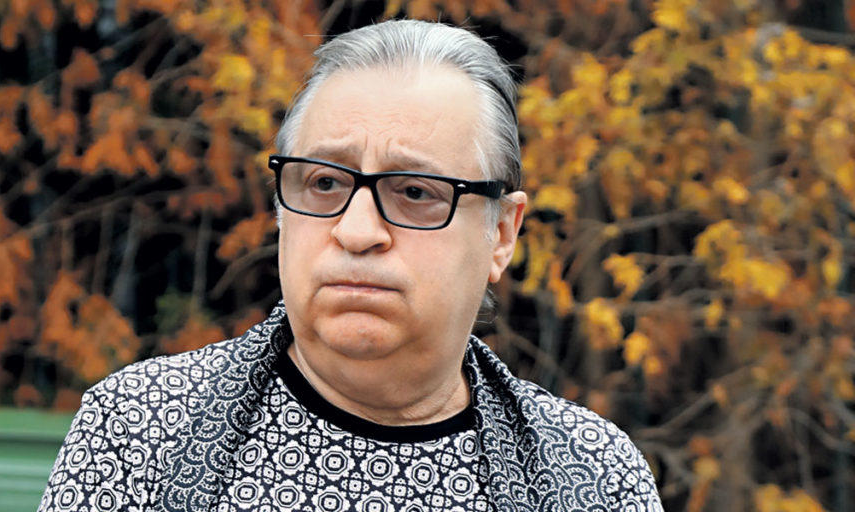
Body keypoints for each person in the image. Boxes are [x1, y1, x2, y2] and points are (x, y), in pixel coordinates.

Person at [38, 19, 663, 512]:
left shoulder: (588, 477)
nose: (357, 231)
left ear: (501, 234)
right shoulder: (146, 433)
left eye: (414, 191)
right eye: (324, 183)